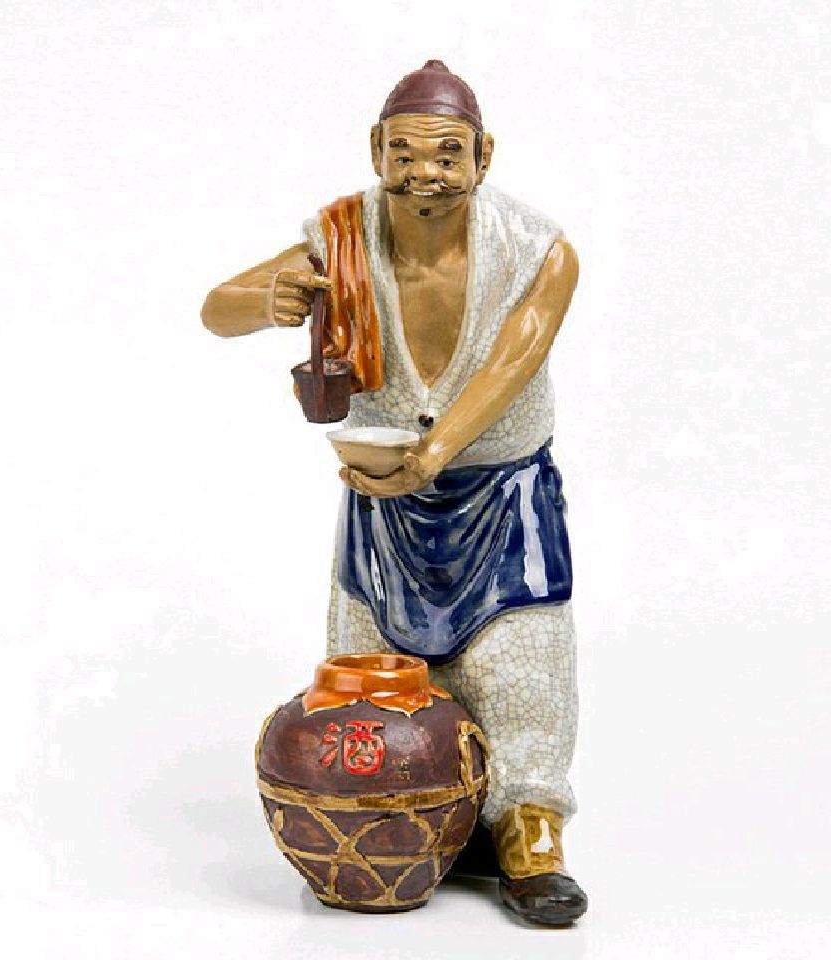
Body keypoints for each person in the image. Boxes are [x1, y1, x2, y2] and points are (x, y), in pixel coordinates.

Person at [202, 60, 586, 926]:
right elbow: (215, 309)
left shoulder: (541, 252)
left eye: (447, 155)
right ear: (376, 151)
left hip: (504, 498)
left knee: (523, 663)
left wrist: (435, 452)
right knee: (375, 675)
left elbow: (511, 364)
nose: (425, 175)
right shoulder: (343, 236)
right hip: (383, 506)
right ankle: (400, 821)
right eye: (404, 154)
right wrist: (269, 301)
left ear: (484, 157)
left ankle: (528, 830)